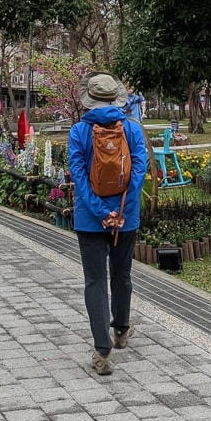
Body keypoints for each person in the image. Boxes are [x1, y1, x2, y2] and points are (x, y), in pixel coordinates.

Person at [67, 72, 148, 377]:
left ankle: (102, 352)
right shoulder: (132, 129)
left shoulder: (79, 131)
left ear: (89, 99)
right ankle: (122, 330)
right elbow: (138, 174)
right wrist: (120, 211)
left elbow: (78, 176)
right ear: (117, 98)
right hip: (126, 219)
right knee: (122, 274)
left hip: (90, 219)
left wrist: (101, 212)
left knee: (95, 281)